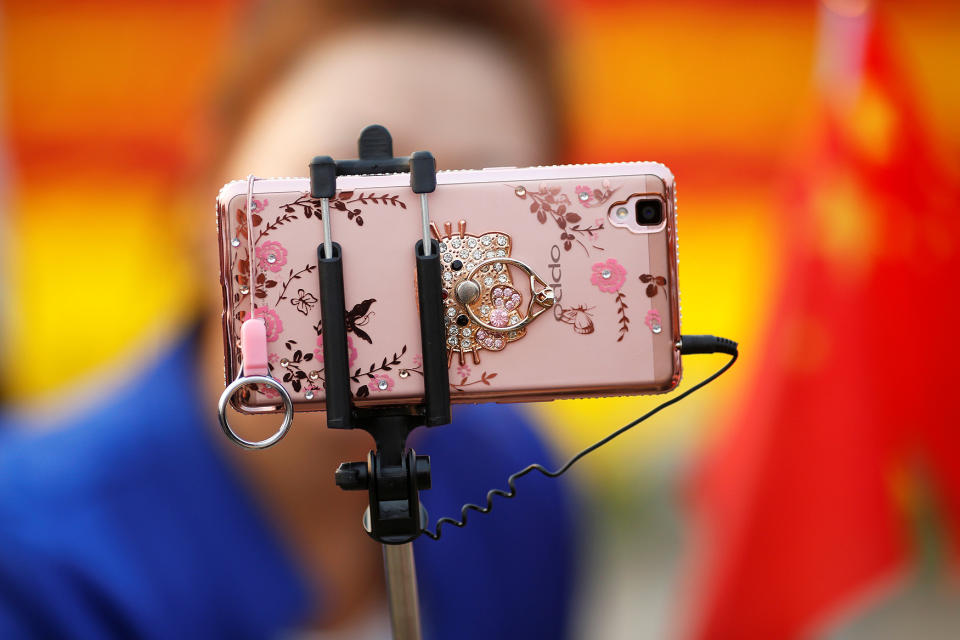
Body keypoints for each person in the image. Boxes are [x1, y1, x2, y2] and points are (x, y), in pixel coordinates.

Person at [0, 1, 578, 638]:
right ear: (208, 189)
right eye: (339, 185)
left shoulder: (518, 479)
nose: (411, 248)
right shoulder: (30, 555)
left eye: (476, 195)